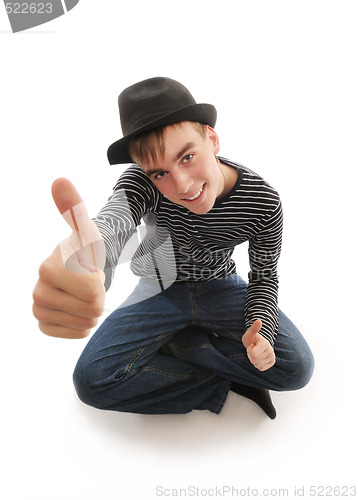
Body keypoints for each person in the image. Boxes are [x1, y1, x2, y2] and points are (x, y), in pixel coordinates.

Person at [32, 77, 314, 419]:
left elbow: (265, 277)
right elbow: (115, 218)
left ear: (212, 138)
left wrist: (261, 331)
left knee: (296, 367)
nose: (182, 185)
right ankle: (214, 376)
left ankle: (181, 344)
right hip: (159, 289)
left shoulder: (262, 202)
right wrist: (89, 253)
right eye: (160, 173)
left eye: (187, 157)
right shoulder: (141, 182)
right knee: (92, 381)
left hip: (221, 287)